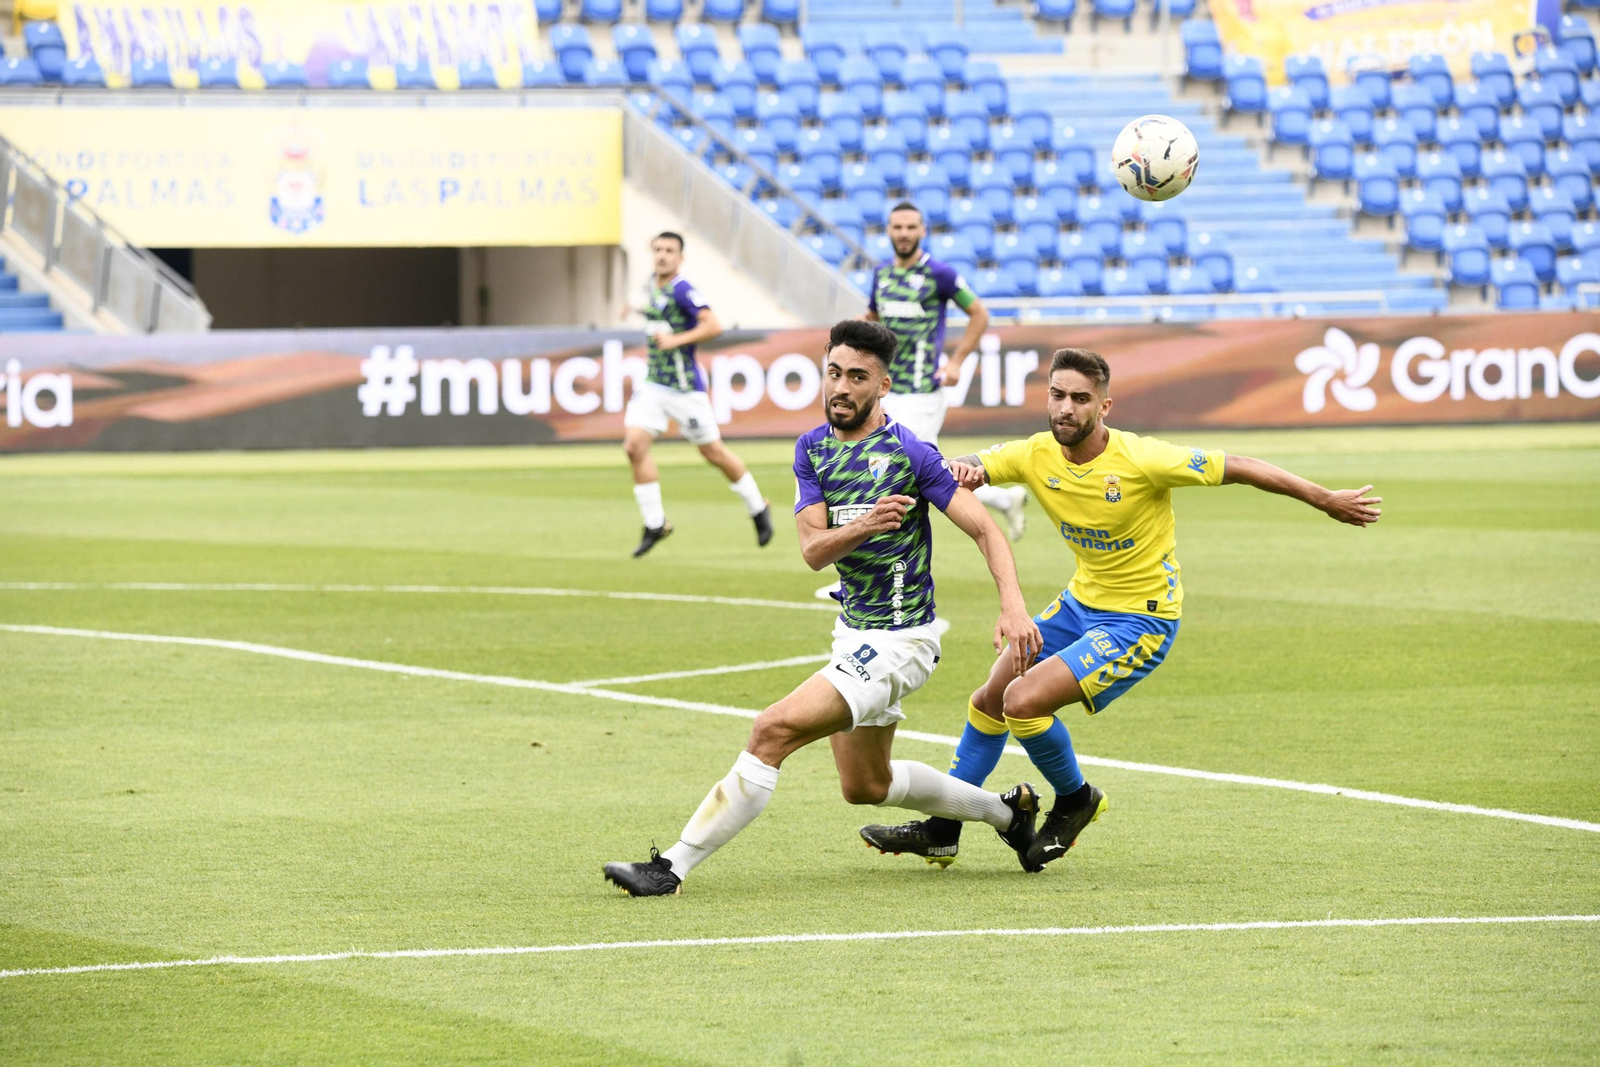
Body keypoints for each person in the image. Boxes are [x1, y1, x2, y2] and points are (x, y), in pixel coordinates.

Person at [859, 347, 1384, 870]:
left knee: (1022, 702)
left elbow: (1240, 467)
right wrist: (960, 469)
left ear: (1104, 407)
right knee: (991, 696)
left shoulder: (1141, 459)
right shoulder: (1037, 452)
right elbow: (976, 463)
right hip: (1080, 603)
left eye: (1081, 399)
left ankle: (1076, 799)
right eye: (1058, 395)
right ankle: (944, 828)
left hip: (1142, 619)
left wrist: (1325, 499)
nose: (1066, 408)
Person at [603, 320, 1047, 896]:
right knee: (865, 784)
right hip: (854, 633)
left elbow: (985, 528)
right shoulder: (810, 449)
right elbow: (813, 550)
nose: (841, 386)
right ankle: (1011, 816)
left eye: (857, 376)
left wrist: (1013, 607)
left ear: (883, 385)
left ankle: (672, 868)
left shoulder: (910, 452)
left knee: (772, 729)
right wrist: (866, 524)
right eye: (833, 372)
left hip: (903, 640)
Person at [815, 202, 1028, 603]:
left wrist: (957, 361)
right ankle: (1003, 497)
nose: (904, 232)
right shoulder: (881, 274)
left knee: (893, 471)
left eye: (911, 225)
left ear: (923, 229)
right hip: (885, 388)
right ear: (889, 230)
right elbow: (873, 317)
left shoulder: (940, 274)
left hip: (923, 390)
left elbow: (979, 314)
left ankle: (865, 576)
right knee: (922, 473)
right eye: (897, 226)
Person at [622, 231, 772, 558]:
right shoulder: (651, 286)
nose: (662, 255)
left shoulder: (683, 289)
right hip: (653, 384)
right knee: (634, 447)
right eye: (658, 249)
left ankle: (757, 506)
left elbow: (713, 325)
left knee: (713, 453)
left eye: (669, 251)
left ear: (680, 258)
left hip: (684, 389)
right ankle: (655, 523)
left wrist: (677, 340)